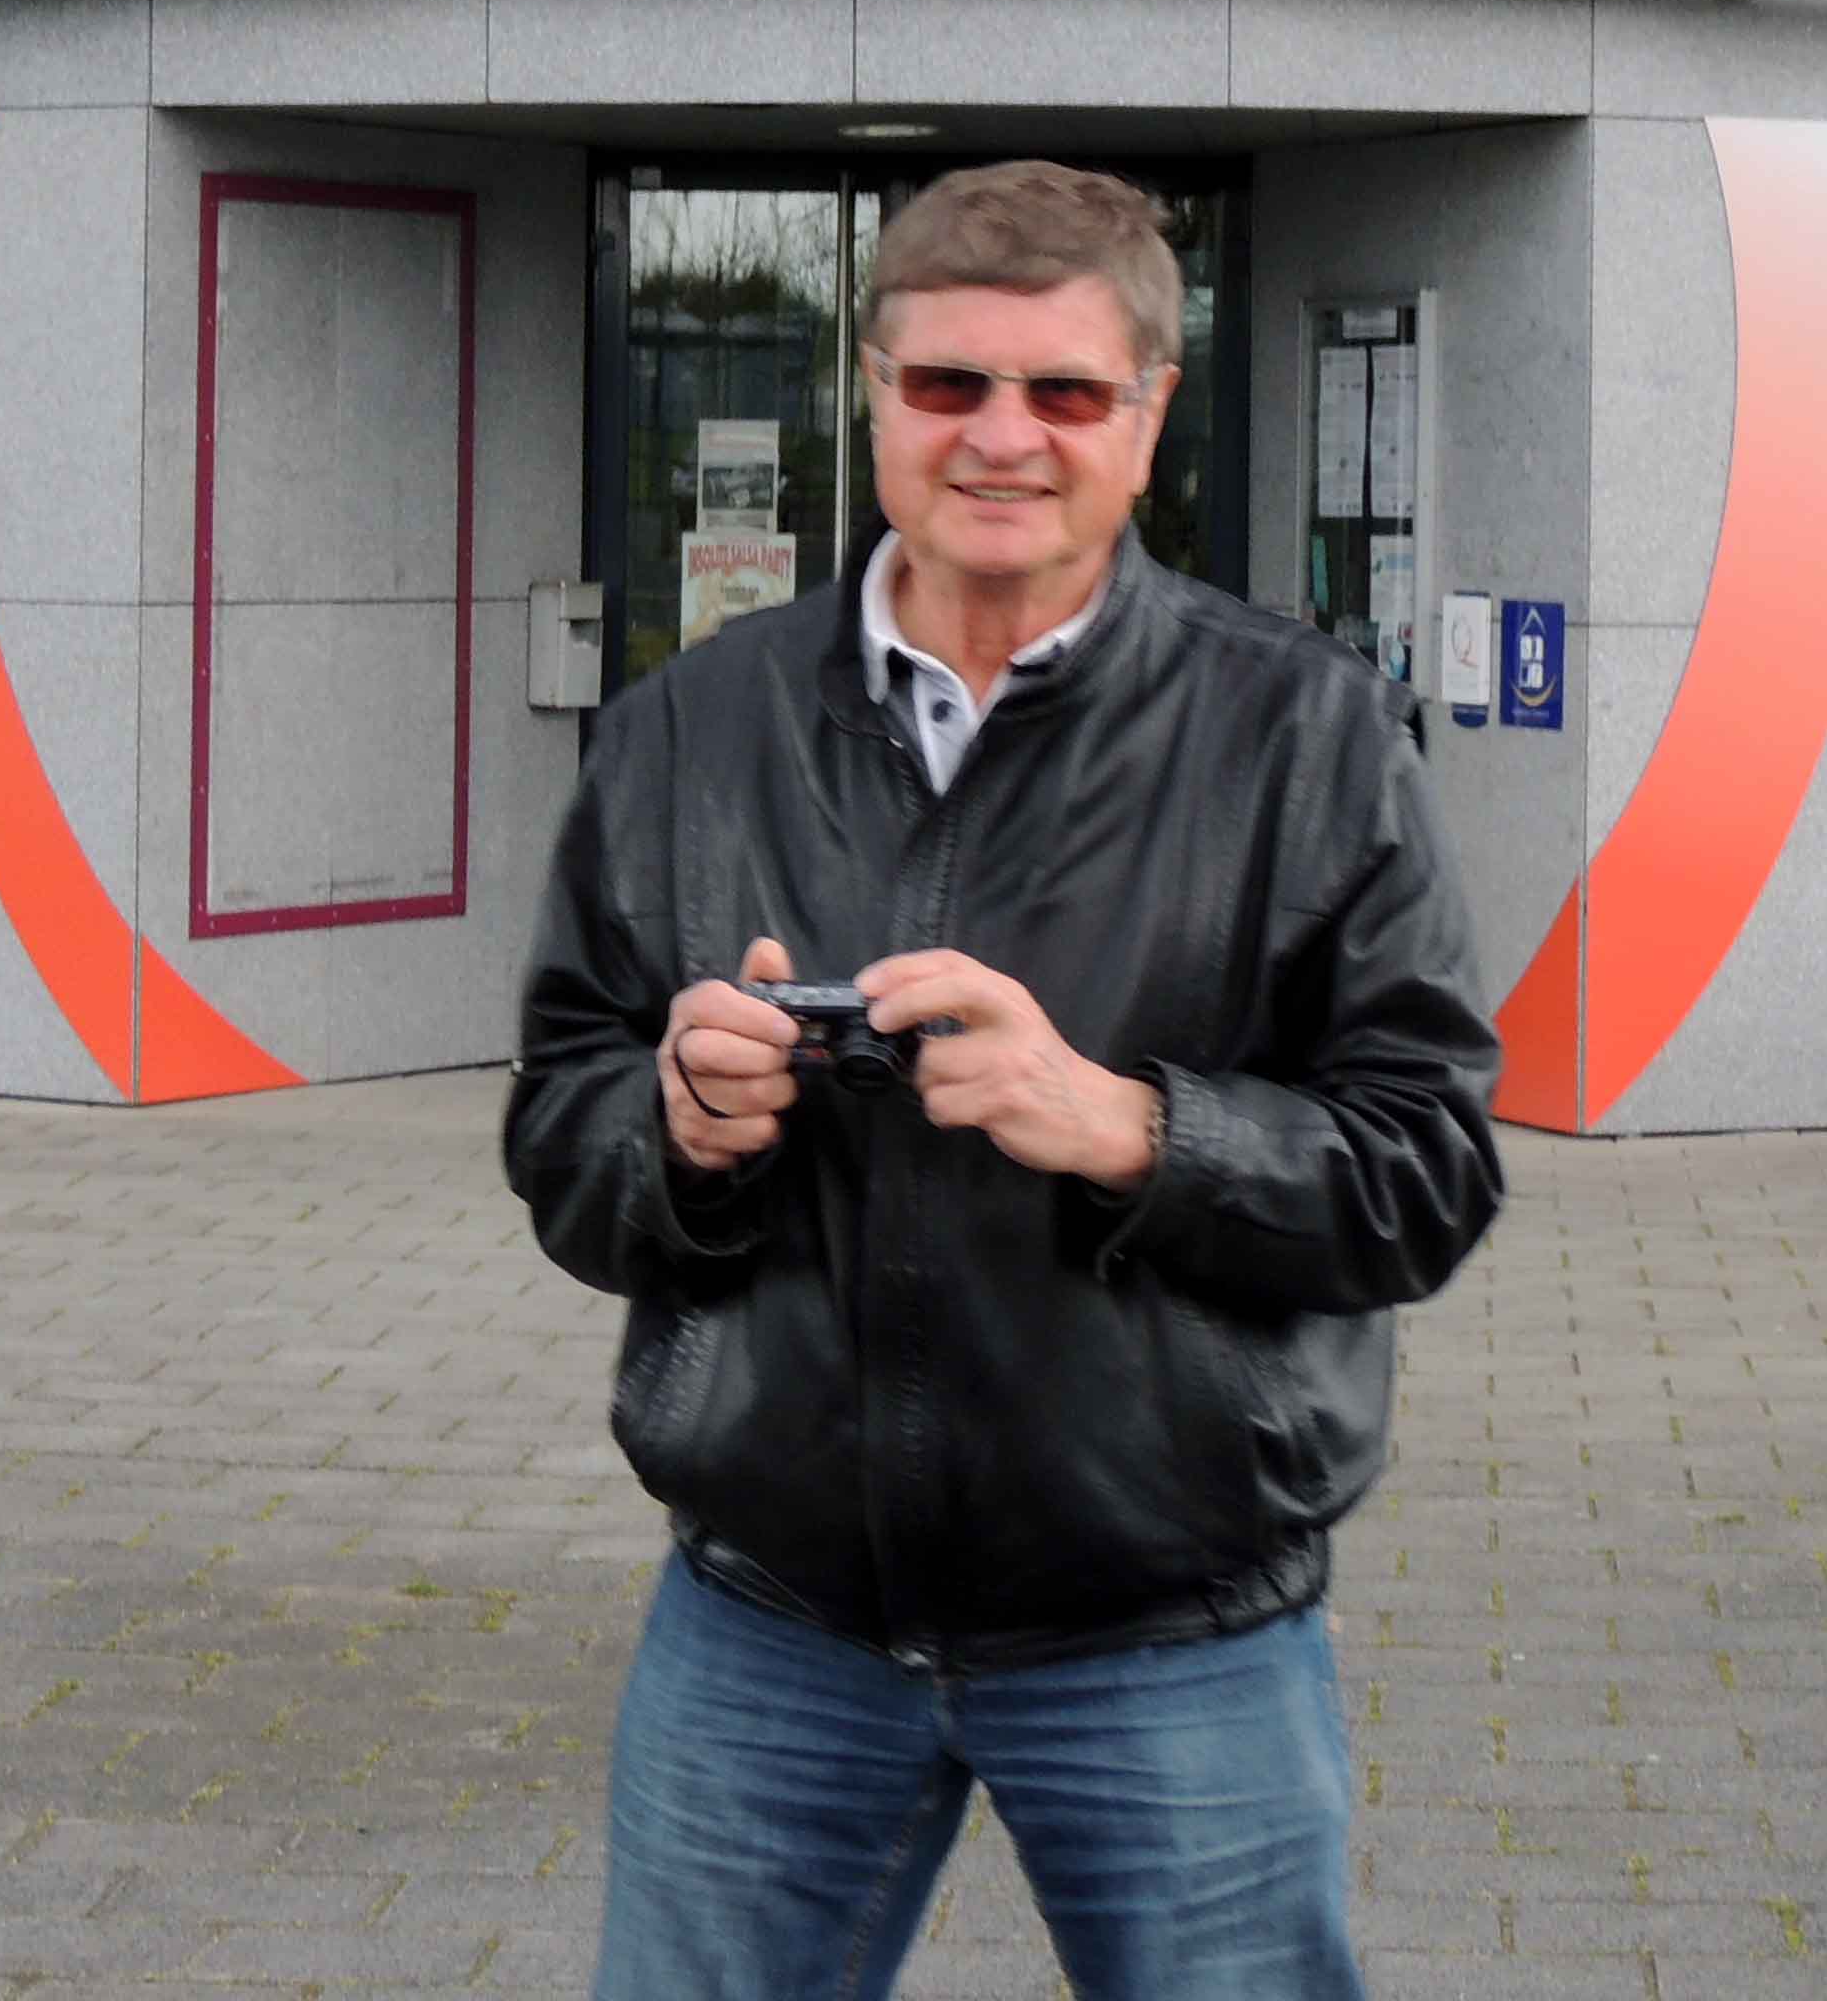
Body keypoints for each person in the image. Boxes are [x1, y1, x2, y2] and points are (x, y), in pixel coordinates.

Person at [507, 160, 1506, 2001]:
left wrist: (1135, 1129)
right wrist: (676, 1132)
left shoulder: (1308, 738)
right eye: (949, 382)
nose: (1001, 436)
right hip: (773, 1619)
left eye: (1063, 390)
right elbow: (560, 1124)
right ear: (873, 392)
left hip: (1173, 1625)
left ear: (1149, 417)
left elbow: (1429, 1171)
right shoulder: (687, 730)